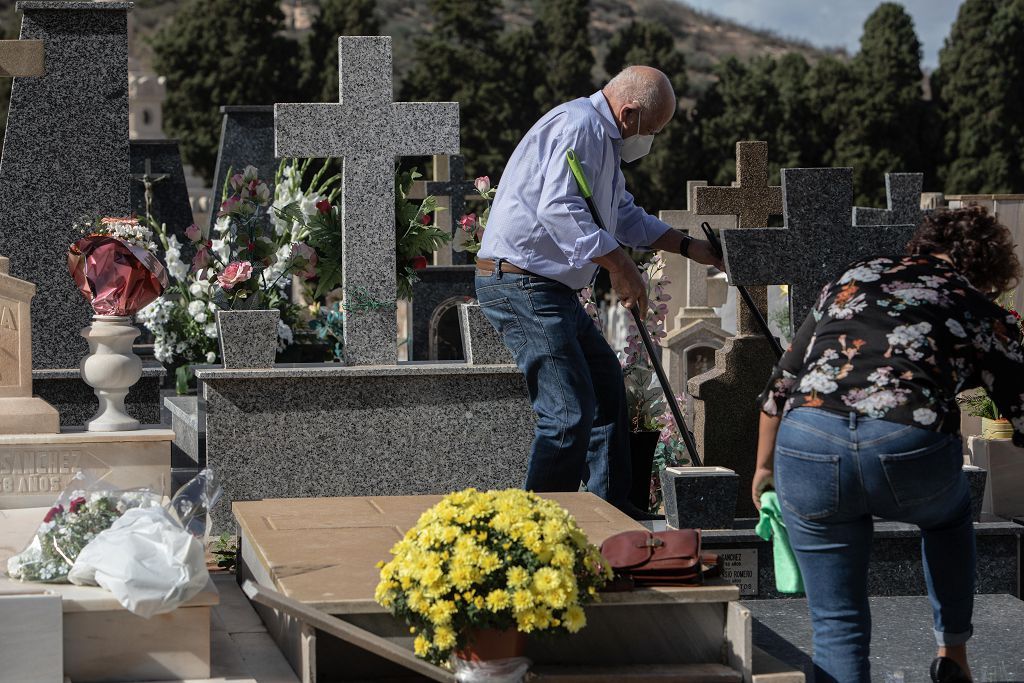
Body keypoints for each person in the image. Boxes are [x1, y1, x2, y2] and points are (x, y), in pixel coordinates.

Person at [751, 206, 1024, 682]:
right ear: (987, 267)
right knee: (952, 514)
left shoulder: (855, 276)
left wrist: (763, 468)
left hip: (808, 442)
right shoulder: (975, 304)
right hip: (907, 441)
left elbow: (781, 385)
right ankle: (953, 654)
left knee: (837, 627)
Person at [474, 66, 721, 519]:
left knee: (607, 393)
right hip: (523, 283)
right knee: (567, 413)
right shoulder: (580, 126)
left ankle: (612, 515)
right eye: (652, 131)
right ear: (627, 114)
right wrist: (621, 266)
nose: (650, 142)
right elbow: (558, 207)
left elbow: (623, 216)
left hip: (549, 289)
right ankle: (539, 530)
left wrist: (690, 247)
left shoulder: (603, 140)